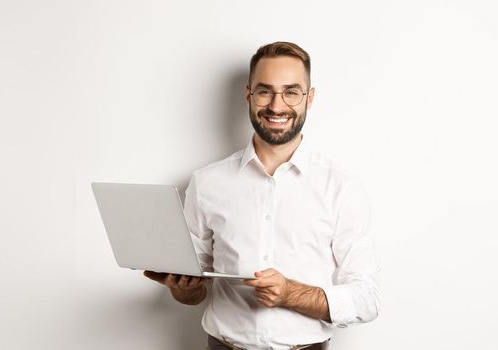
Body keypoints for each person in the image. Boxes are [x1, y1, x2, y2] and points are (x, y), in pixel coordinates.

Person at [144, 41, 380, 350]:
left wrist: (289, 293)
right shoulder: (206, 182)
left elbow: (366, 299)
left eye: (291, 92)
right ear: (248, 95)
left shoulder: (342, 188)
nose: (276, 106)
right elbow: (196, 289)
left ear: (309, 99)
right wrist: (183, 289)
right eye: (265, 91)